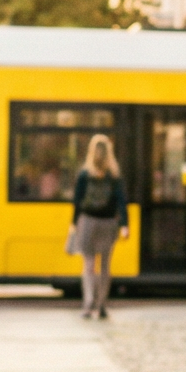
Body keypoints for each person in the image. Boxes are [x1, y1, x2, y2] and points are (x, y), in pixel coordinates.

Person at [68, 133, 124, 320]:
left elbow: (77, 201)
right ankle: (102, 305)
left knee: (89, 264)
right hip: (108, 223)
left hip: (88, 222)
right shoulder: (114, 174)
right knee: (105, 265)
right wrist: (124, 224)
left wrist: (74, 223)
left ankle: (88, 303)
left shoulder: (85, 173)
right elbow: (121, 200)